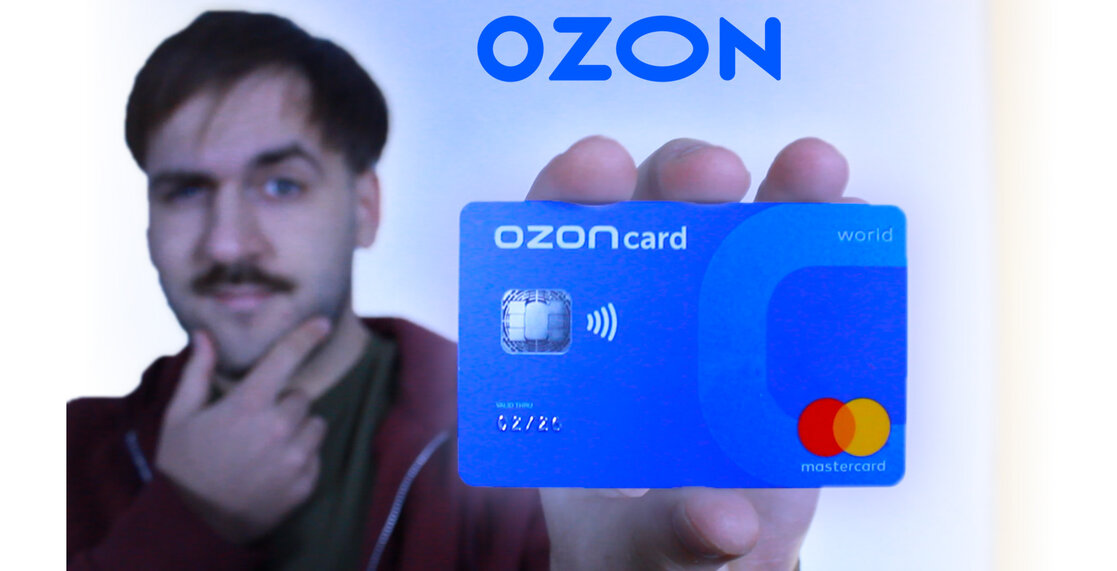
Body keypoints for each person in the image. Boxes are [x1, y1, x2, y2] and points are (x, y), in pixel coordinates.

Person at [67, 10, 858, 570]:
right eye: (184, 190)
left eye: (281, 185)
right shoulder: (55, 457)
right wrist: (180, 523)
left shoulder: (541, 443)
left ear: (365, 207)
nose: (227, 241)